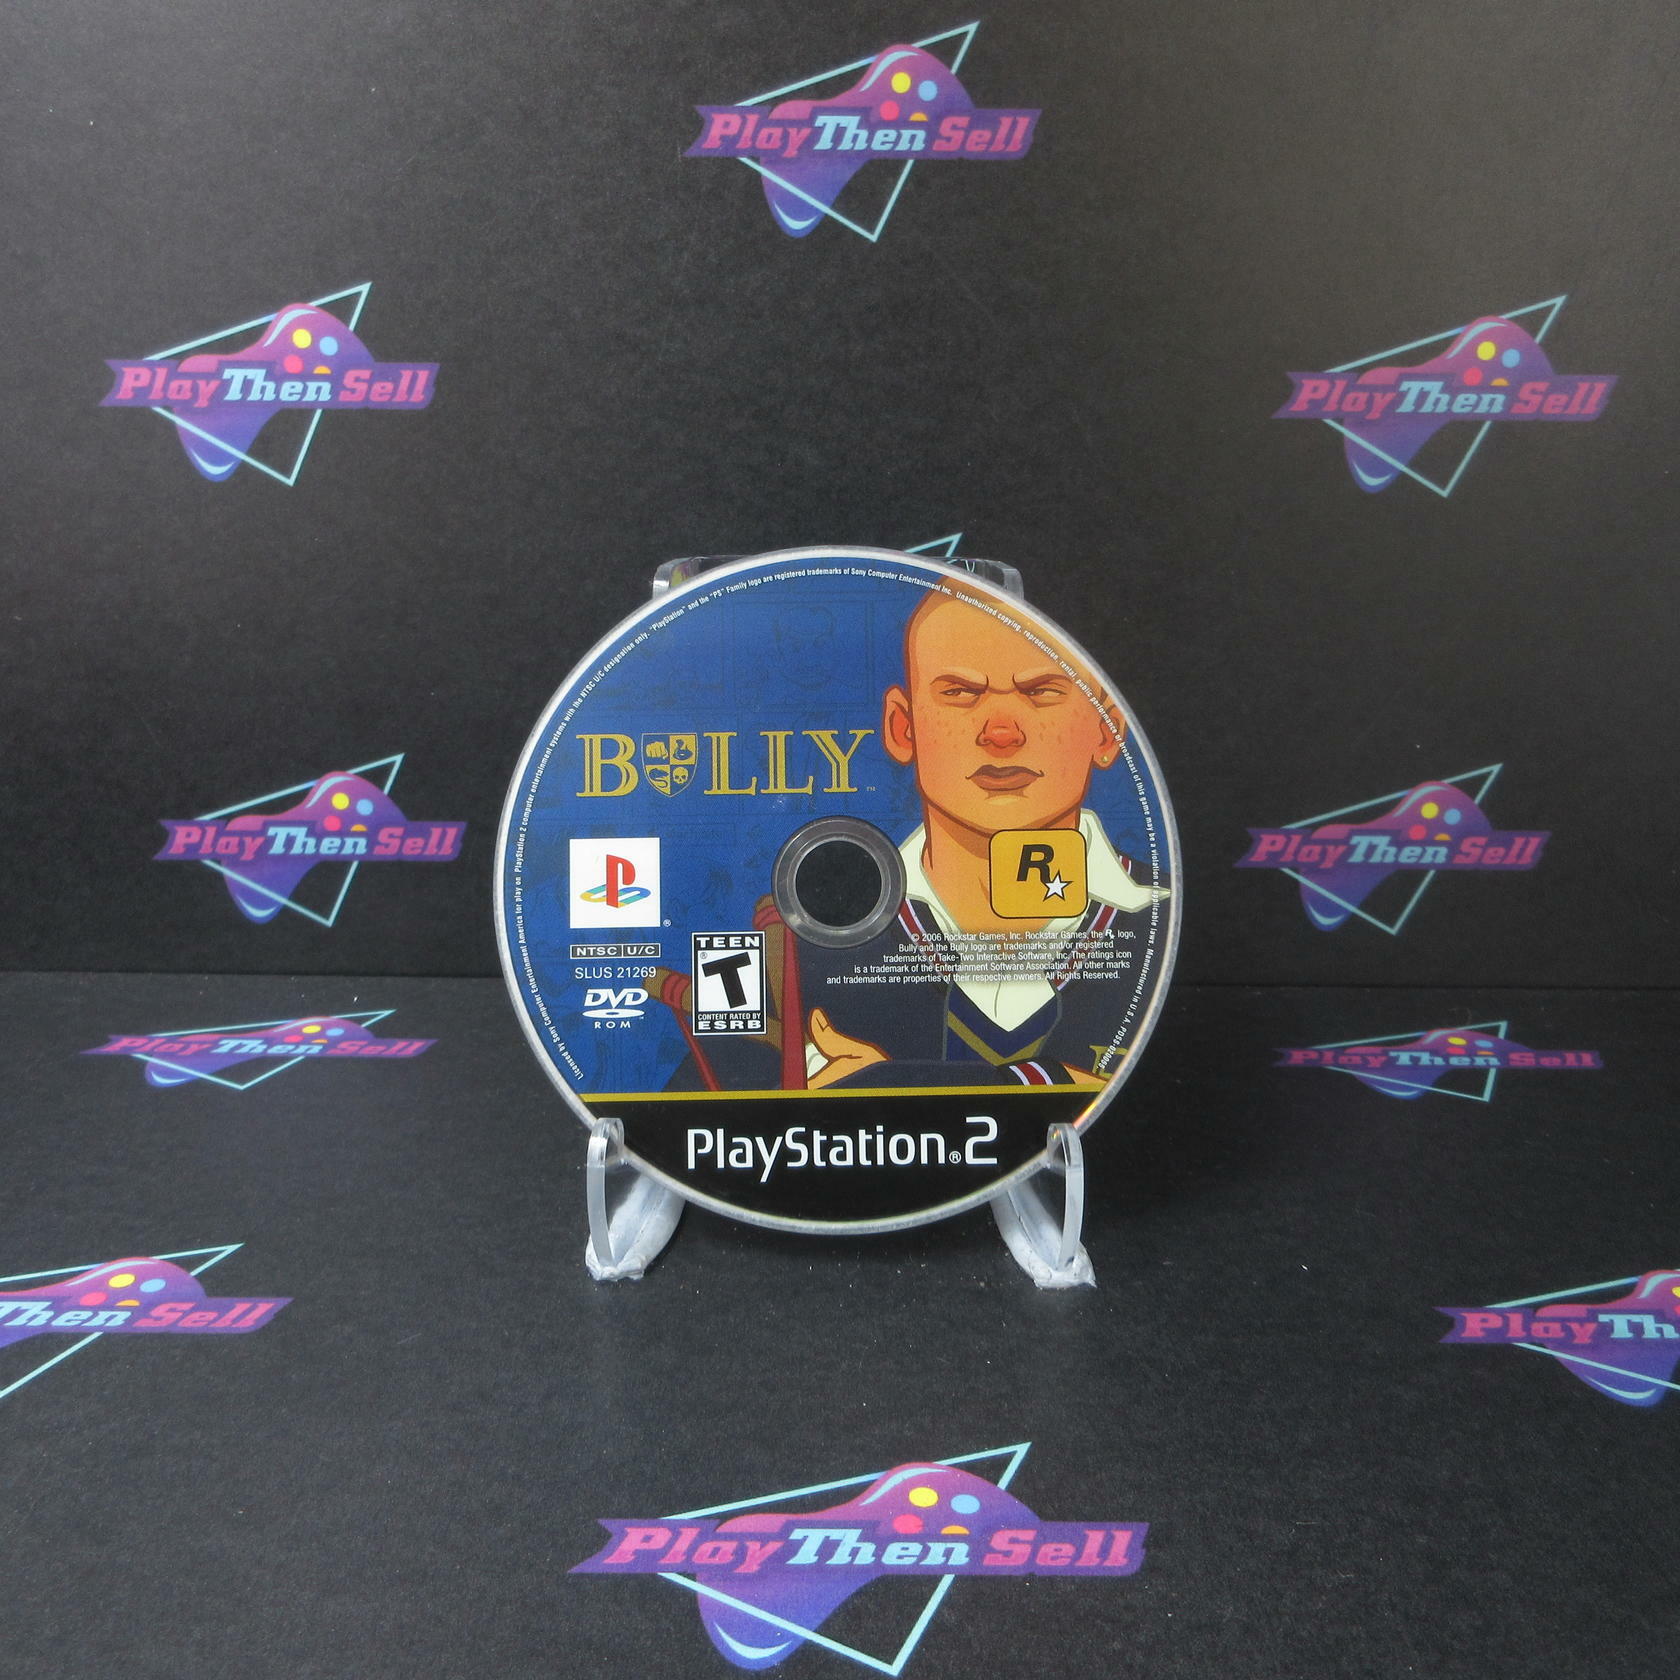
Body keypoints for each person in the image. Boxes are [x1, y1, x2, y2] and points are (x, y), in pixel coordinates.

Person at [663, 585, 1167, 1092]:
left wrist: (896, 1085)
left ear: (1105, 732)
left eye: (1041, 692)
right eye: (960, 693)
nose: (1001, 733)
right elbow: (677, 1125)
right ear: (902, 727)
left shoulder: (1166, 924)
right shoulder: (770, 956)